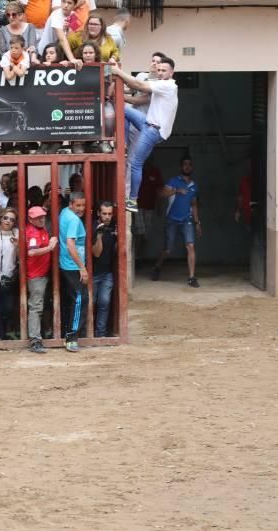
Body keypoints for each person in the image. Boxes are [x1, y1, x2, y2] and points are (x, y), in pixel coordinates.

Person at [110, 55, 178, 213]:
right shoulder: (159, 83)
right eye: (159, 69)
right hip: (148, 123)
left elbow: (138, 85)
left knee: (135, 164)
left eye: (164, 70)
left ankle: (132, 200)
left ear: (172, 72)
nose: (160, 72)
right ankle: (124, 143)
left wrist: (118, 71)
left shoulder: (167, 85)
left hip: (154, 130)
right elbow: (134, 86)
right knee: (123, 109)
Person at [151, 156, 201, 288]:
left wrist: (197, 222)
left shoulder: (194, 186)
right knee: (168, 249)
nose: (187, 167)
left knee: (190, 246)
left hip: (187, 220)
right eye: (185, 164)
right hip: (172, 219)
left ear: (192, 167)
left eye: (189, 164)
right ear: (181, 167)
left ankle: (191, 277)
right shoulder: (174, 181)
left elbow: (194, 204)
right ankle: (157, 267)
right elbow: (161, 193)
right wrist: (176, 190)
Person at [25, 205, 57, 353]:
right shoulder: (32, 232)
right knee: (36, 307)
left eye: (43, 216)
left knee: (39, 306)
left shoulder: (40, 229)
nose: (41, 219)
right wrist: (50, 247)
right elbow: (31, 252)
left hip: (42, 274)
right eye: (38, 217)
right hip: (36, 276)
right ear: (30, 219)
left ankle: (39, 336)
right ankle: (35, 340)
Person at [59, 191, 87, 353]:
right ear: (71, 204)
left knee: (73, 300)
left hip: (66, 264)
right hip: (73, 266)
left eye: (83, 205)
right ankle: (71, 337)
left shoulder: (64, 212)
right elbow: (70, 244)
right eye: (78, 205)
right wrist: (82, 267)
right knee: (79, 300)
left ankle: (67, 332)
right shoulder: (74, 220)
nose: (81, 208)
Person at [0, 206, 18, 341]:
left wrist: (18, 246)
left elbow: (21, 256)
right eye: (5, 218)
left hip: (9, 276)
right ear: (0, 218)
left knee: (8, 307)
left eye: (12, 220)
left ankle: (7, 330)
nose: (8, 221)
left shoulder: (16, 233)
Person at [91, 200, 115, 337]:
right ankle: (88, 332)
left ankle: (100, 333)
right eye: (104, 213)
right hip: (93, 272)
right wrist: (99, 235)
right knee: (91, 303)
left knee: (104, 302)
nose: (107, 217)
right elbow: (96, 253)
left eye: (109, 214)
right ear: (99, 213)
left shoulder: (114, 227)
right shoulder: (93, 226)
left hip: (107, 272)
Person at [36, 0, 79, 68]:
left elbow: (73, 38)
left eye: (69, 3)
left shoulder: (74, 15)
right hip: (45, 53)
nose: (66, 5)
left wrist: (67, 30)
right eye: (63, 2)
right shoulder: (56, 14)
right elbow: (62, 39)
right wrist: (72, 59)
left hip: (59, 53)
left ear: (75, 5)